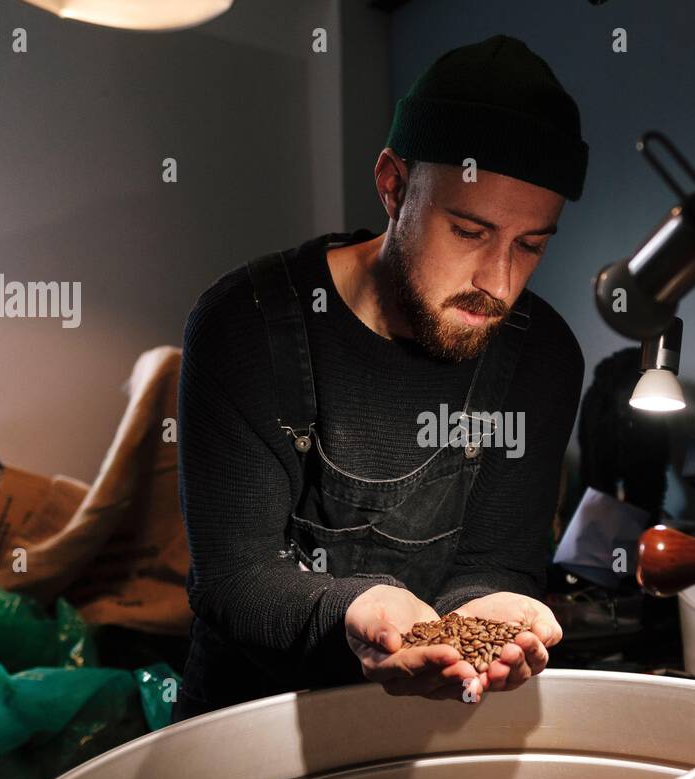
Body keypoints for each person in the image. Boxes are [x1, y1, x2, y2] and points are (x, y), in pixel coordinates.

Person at [174, 34, 588, 720]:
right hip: (246, 724)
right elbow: (235, 579)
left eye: (531, 246)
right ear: (394, 186)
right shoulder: (243, 323)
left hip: (424, 726)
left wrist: (490, 610)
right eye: (468, 232)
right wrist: (358, 609)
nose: (499, 284)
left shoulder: (540, 358)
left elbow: (497, 564)